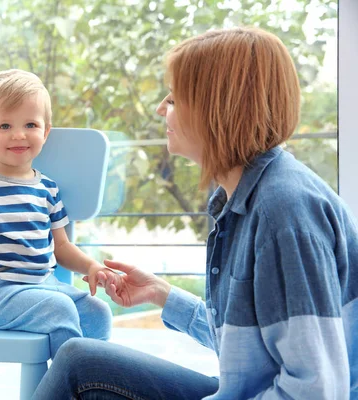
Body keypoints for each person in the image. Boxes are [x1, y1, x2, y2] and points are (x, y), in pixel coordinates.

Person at [32, 27, 358, 399]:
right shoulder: (248, 198)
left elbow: (317, 391)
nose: (160, 109)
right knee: (80, 361)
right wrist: (162, 294)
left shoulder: (283, 213)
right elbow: (249, 348)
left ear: (216, 108)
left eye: (173, 99)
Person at [0, 69, 118, 359]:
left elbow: (62, 247)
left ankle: (100, 382)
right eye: (4, 126)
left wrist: (92, 267)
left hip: (44, 285)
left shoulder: (47, 189)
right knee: (60, 310)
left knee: (98, 313)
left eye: (30, 124)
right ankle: (71, 386)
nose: (18, 134)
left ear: (45, 132)